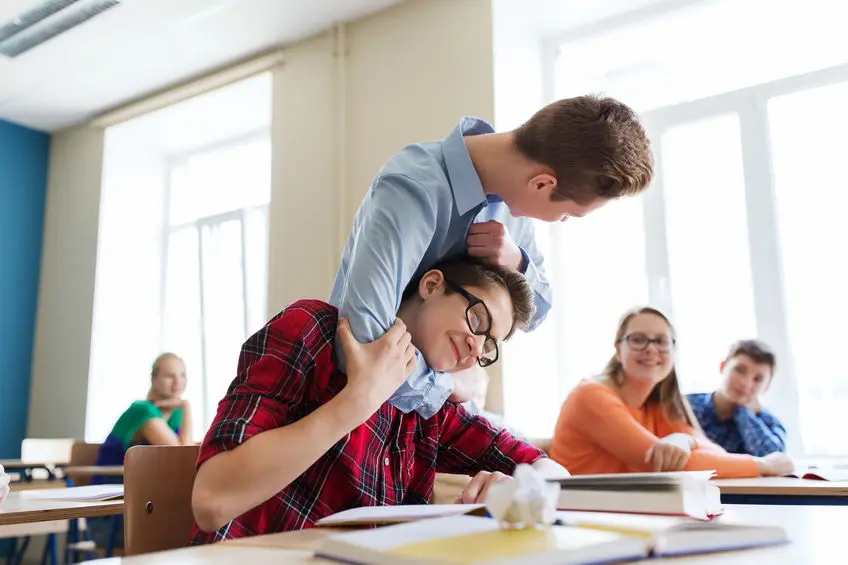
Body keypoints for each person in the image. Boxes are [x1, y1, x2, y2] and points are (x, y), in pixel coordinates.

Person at [191, 259, 569, 543]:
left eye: (490, 347)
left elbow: (556, 474)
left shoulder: (431, 404)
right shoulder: (314, 329)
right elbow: (211, 500)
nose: (476, 346)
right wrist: (359, 398)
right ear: (433, 285)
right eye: (478, 319)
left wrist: (522, 485)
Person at [330, 94, 654, 419]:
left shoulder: (513, 208)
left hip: (429, 420)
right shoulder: (412, 189)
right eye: (569, 214)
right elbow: (360, 342)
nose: (561, 221)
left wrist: (517, 263)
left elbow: (537, 311)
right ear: (542, 183)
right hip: (358, 416)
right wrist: (448, 385)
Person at [549, 307, 793, 478]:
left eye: (661, 341)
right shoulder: (591, 396)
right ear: (617, 348)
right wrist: (761, 464)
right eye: (638, 339)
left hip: (621, 512)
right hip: (578, 516)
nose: (651, 349)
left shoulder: (655, 403)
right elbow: (668, 463)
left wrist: (684, 439)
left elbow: (712, 451)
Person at [87, 353, 194, 549]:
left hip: (143, 512)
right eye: (170, 375)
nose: (178, 381)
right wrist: (187, 406)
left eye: (183, 375)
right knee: (190, 533)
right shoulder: (142, 410)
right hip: (110, 520)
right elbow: (183, 454)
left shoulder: (174, 414)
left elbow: (184, 460)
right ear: (153, 378)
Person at [687, 340, 786, 456]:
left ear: (766, 387)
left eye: (758, 379)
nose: (746, 383)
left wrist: (745, 414)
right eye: (740, 370)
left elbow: (775, 459)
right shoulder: (687, 405)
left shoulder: (769, 423)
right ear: (723, 367)